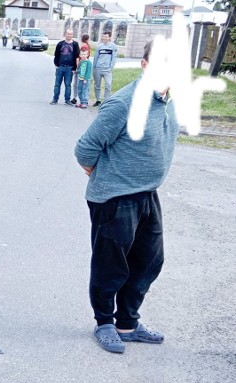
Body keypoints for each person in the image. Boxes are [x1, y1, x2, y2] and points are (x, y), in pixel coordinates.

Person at [74, 41, 171, 354]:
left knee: (149, 260)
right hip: (114, 197)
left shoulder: (168, 99)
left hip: (146, 193)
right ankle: (104, 322)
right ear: (145, 66)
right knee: (111, 264)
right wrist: (100, 174)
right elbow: (85, 149)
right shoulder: (124, 104)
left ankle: (127, 323)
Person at [51, 29, 79, 106]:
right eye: (68, 34)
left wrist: (75, 68)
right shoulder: (60, 44)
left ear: (72, 35)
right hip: (60, 67)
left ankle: (67, 100)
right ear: (65, 34)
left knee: (68, 85)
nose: (69, 35)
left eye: (70, 34)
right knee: (57, 84)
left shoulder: (75, 44)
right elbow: (56, 55)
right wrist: (56, 65)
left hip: (70, 68)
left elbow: (77, 57)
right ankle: (55, 99)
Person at [92, 31, 118, 107]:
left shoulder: (113, 47)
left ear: (109, 37)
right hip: (98, 69)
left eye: (106, 37)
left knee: (108, 85)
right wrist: (94, 68)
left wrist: (111, 67)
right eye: (103, 36)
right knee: (97, 85)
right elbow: (96, 58)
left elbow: (114, 58)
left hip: (107, 70)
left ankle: (106, 100)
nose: (104, 38)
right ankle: (98, 100)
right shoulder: (99, 47)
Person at [71, 34, 90, 105]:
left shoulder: (83, 46)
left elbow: (79, 58)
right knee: (81, 85)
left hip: (80, 66)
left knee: (78, 84)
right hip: (81, 66)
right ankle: (82, 100)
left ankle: (77, 98)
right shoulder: (87, 45)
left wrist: (77, 67)